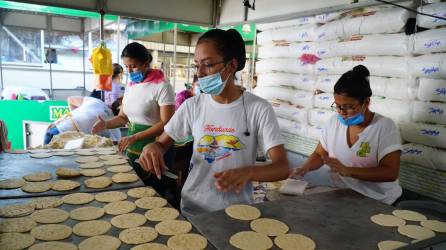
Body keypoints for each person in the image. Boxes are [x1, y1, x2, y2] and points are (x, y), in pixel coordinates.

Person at [138, 29, 289, 217]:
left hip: (238, 211)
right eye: (197, 66)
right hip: (194, 208)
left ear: (231, 65)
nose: (199, 74)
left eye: (207, 65)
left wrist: (248, 172)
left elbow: (282, 167)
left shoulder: (258, 109)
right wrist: (154, 148)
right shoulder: (193, 106)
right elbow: (162, 143)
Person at [289, 65, 402, 205]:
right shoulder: (333, 124)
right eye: (337, 105)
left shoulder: (384, 127)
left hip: (379, 201)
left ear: (366, 102)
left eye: (349, 106)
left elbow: (390, 173)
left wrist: (348, 171)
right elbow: (319, 154)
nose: (342, 111)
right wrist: (304, 168)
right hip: (344, 197)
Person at [91, 42, 176, 201]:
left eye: (133, 66)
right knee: (132, 192)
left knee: (152, 196)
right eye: (126, 67)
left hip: (156, 148)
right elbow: (123, 117)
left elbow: (167, 122)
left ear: (146, 63)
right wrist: (106, 124)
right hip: (133, 147)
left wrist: (135, 137)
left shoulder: (162, 86)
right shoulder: (131, 85)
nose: (129, 71)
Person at [44, 94, 121, 145]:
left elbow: (71, 99)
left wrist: (74, 119)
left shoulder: (98, 102)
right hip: (63, 139)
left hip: (54, 128)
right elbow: (115, 145)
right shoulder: (114, 128)